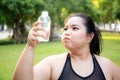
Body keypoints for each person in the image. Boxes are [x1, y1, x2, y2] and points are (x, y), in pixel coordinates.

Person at [13, 13, 120, 80]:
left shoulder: (108, 66)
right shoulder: (52, 64)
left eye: (74, 28)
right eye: (65, 28)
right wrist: (30, 46)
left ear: (90, 36)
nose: (67, 32)